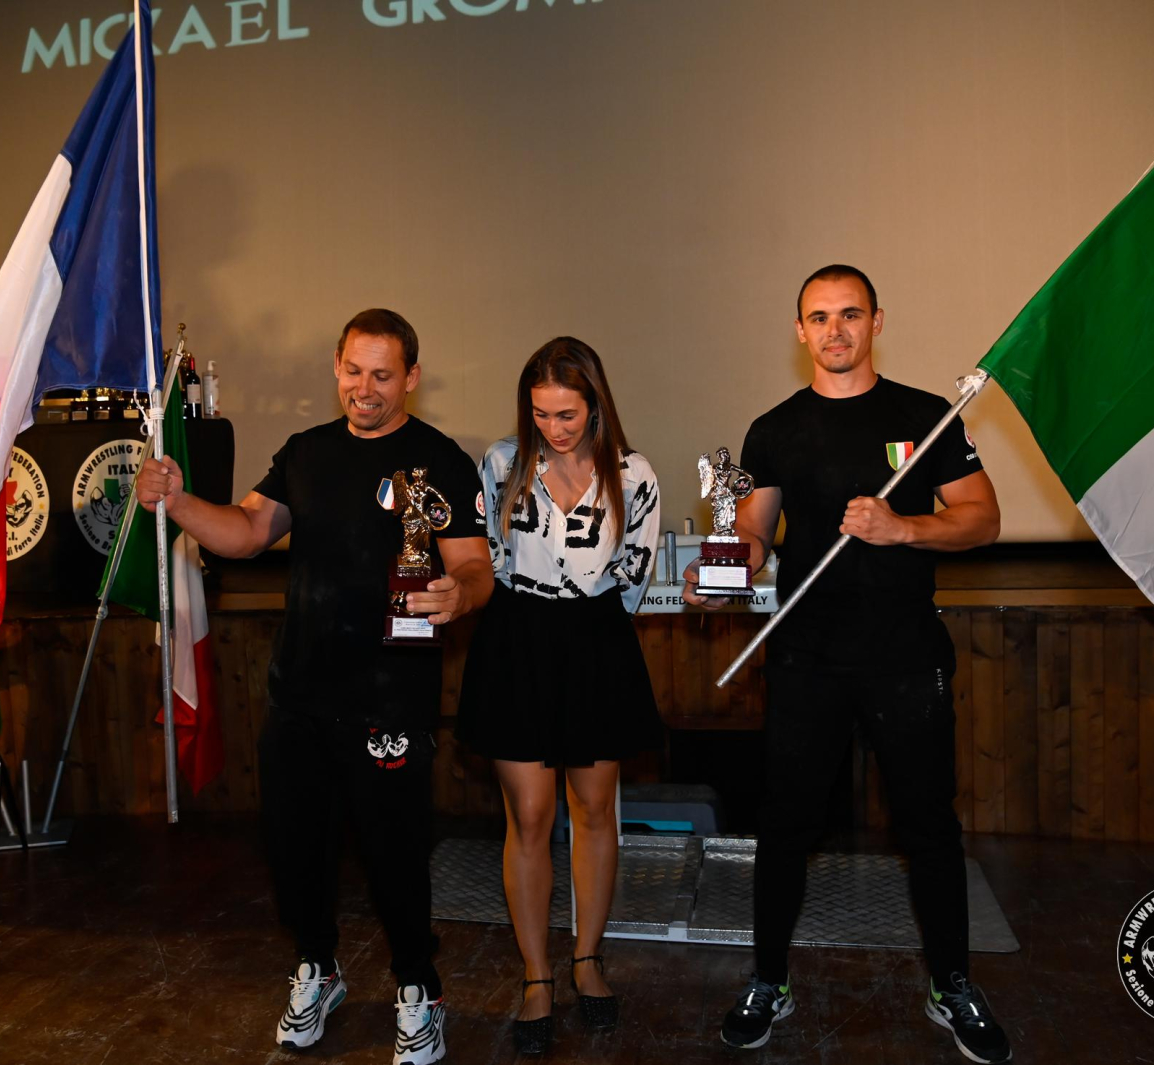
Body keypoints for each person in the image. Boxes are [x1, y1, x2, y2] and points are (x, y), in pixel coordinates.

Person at [135, 308, 492, 1065]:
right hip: (300, 693)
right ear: (336, 367)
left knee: (395, 854)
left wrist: (460, 592)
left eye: (383, 375)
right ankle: (317, 968)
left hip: (391, 698)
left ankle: (419, 987)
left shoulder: (440, 459)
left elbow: (473, 564)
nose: (365, 388)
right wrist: (177, 500)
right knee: (295, 849)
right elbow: (244, 532)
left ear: (412, 378)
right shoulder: (306, 452)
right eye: (353, 371)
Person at [686, 266, 1009, 1063]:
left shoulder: (925, 416)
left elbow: (982, 519)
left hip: (905, 657)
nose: (836, 329)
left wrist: (905, 529)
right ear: (800, 330)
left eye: (850, 314)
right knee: (786, 824)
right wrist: (723, 567)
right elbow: (754, 533)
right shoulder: (774, 429)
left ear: (877, 321)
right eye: (820, 317)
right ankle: (769, 979)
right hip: (806, 658)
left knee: (929, 825)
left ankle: (952, 983)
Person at [456, 337, 662, 1055]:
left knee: (595, 810)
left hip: (596, 641)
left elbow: (632, 577)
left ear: (595, 404)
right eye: (541, 413)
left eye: (567, 413)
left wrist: (589, 629)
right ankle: (537, 975)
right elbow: (484, 558)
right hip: (516, 640)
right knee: (531, 814)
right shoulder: (500, 464)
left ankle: (588, 960)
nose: (554, 427)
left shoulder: (633, 474)